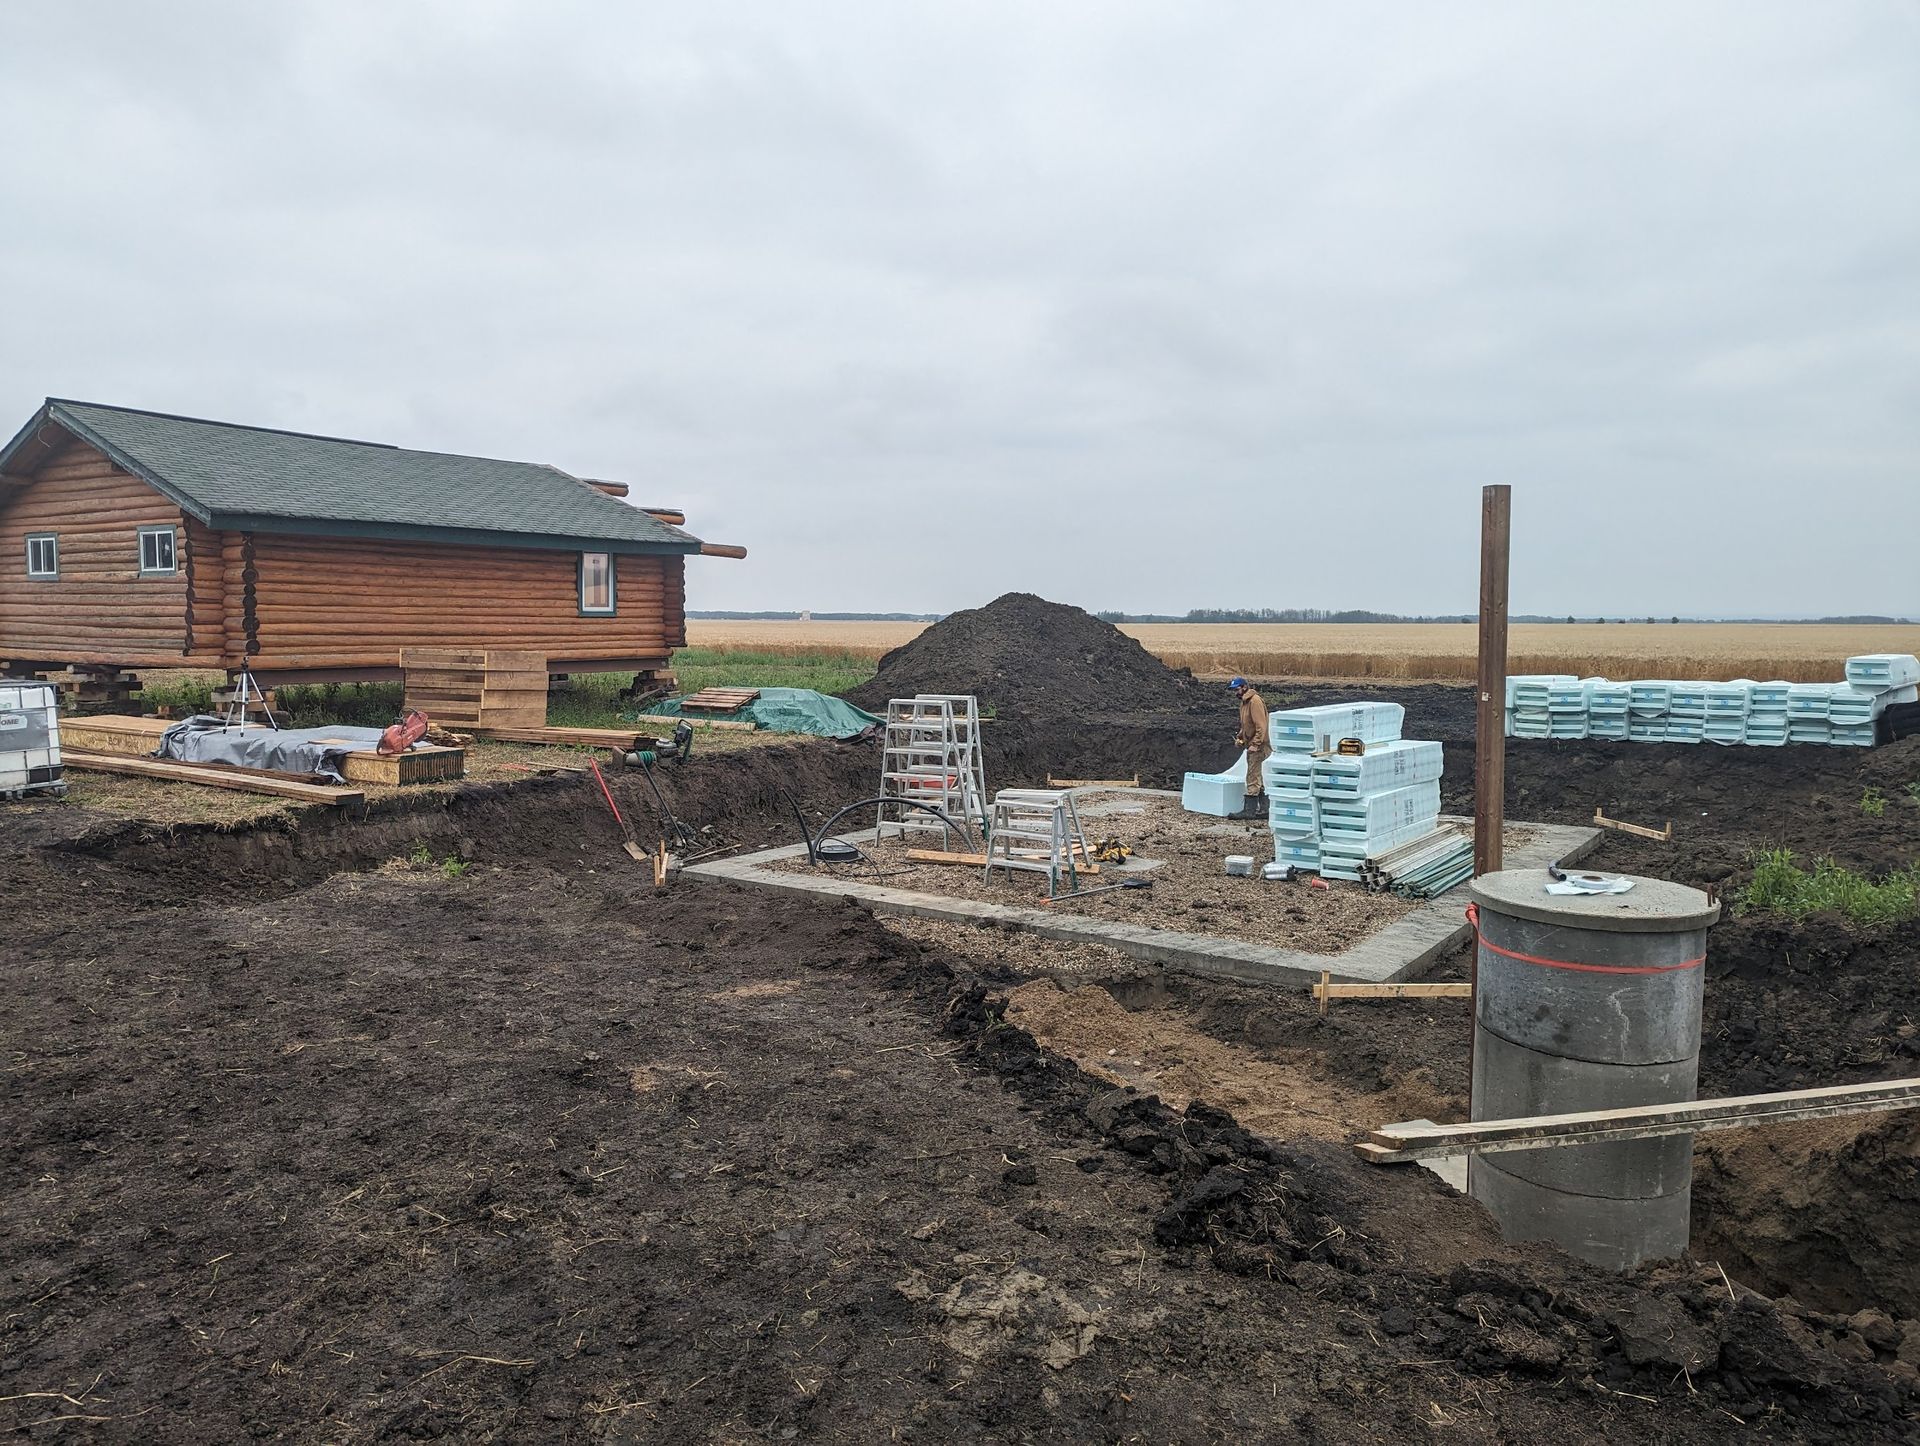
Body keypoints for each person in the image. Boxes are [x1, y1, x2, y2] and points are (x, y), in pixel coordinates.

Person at [1231, 676, 1269, 819]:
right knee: (1258, 775)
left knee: (1252, 775)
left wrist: (1255, 744)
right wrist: (1241, 736)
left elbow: (1261, 725)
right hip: (1253, 743)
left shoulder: (1254, 701)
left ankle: (1249, 811)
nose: (1235, 693)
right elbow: (1247, 725)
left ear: (1244, 687)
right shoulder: (1244, 703)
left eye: (1237, 689)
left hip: (1259, 746)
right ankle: (1265, 809)